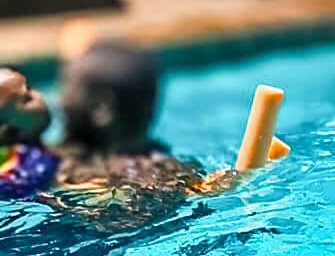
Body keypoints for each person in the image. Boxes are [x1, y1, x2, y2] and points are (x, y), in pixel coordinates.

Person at [54, 38, 208, 201]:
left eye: (67, 90)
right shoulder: (167, 173)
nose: (60, 101)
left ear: (101, 108)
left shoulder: (52, 164)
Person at [0, 68, 58, 199]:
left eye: (30, 87)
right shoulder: (28, 171)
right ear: (9, 131)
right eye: (27, 98)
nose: (39, 95)